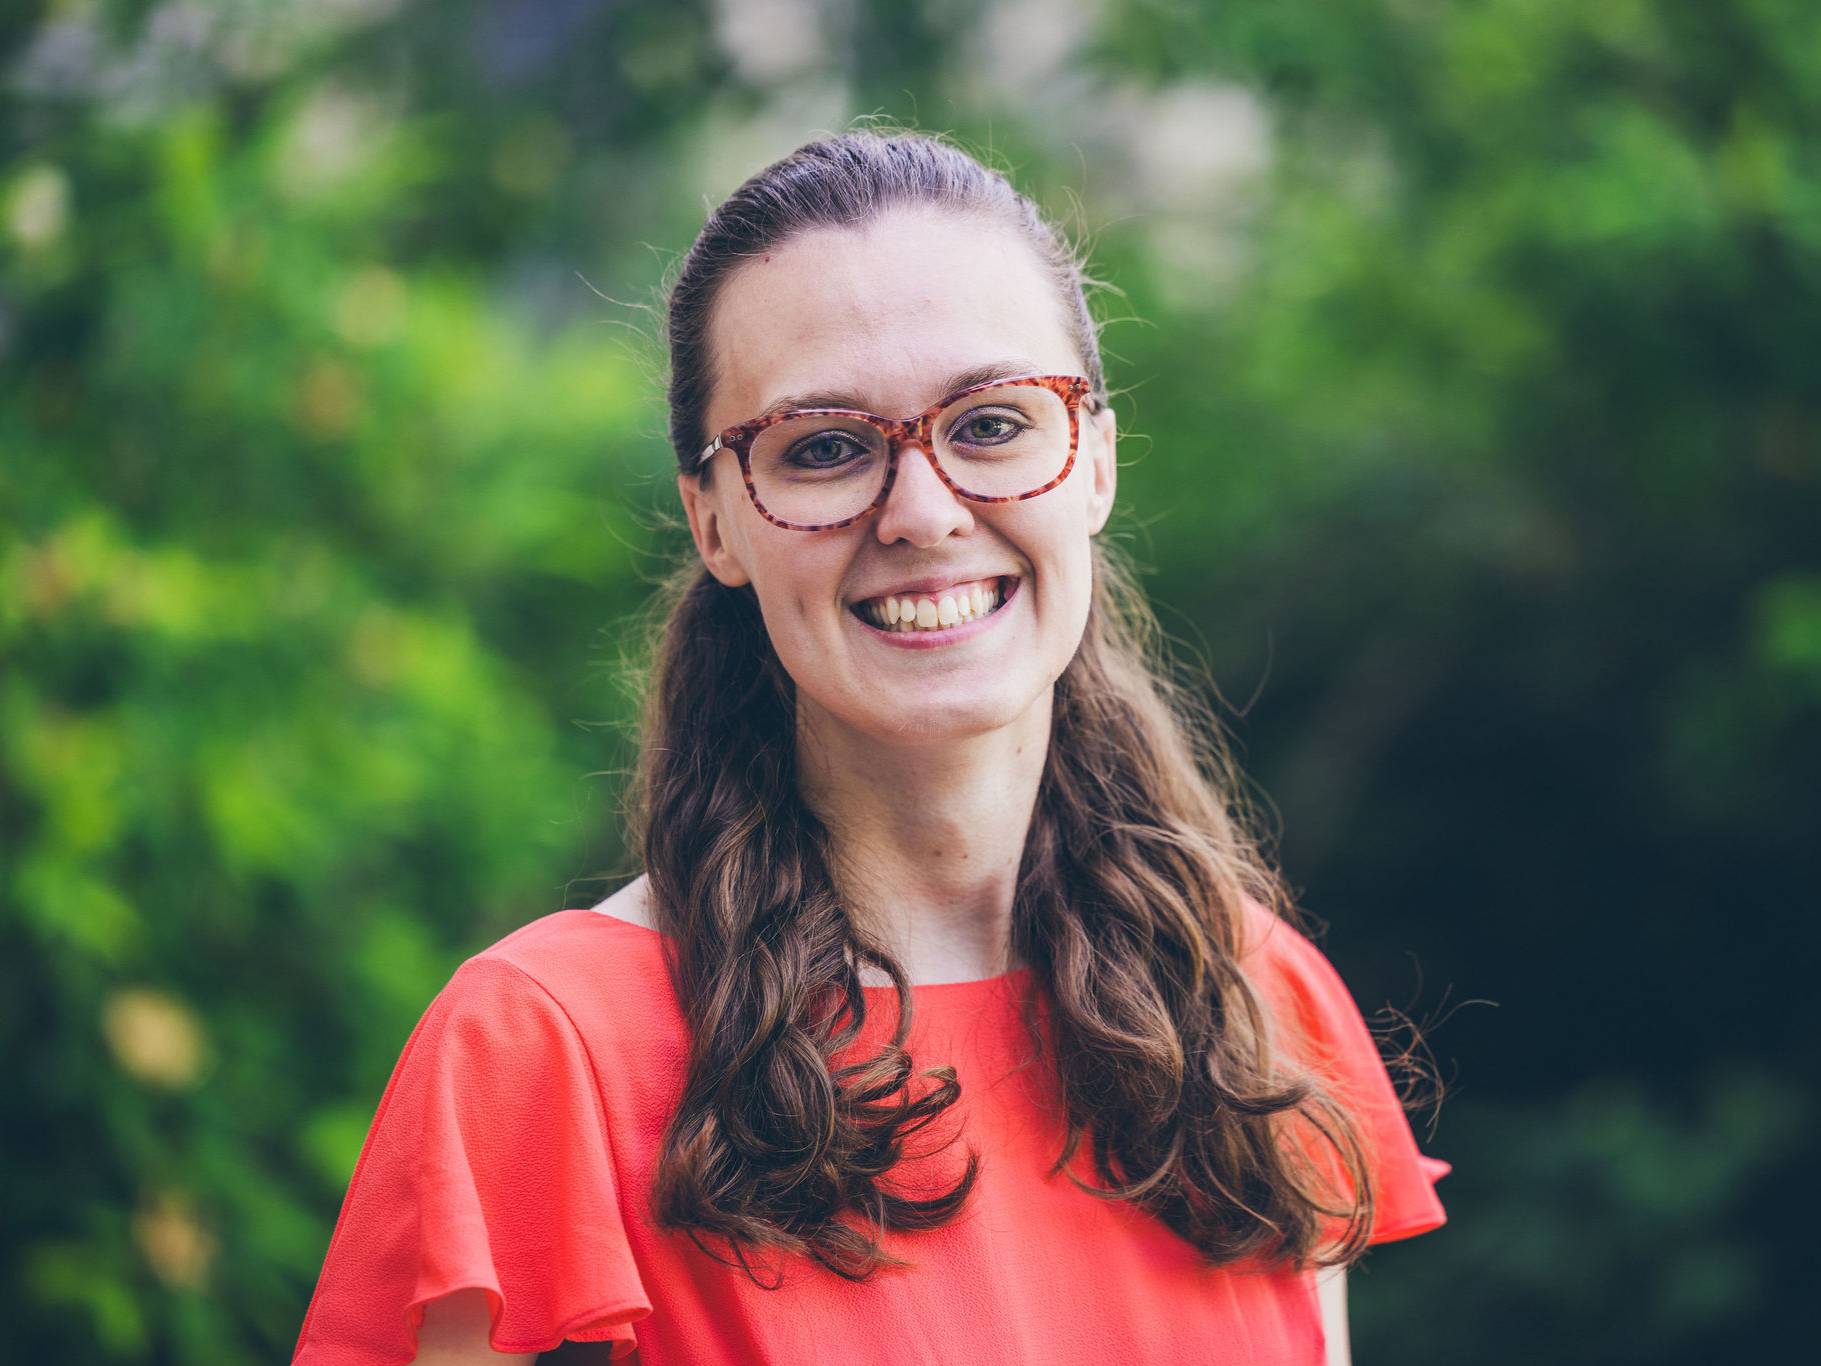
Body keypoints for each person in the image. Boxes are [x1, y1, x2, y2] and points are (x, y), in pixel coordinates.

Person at [291, 126, 1450, 1366]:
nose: (923, 512)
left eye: (995, 422)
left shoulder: (1255, 1002)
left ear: (1097, 463)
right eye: (826, 448)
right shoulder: (544, 1046)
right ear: (716, 519)